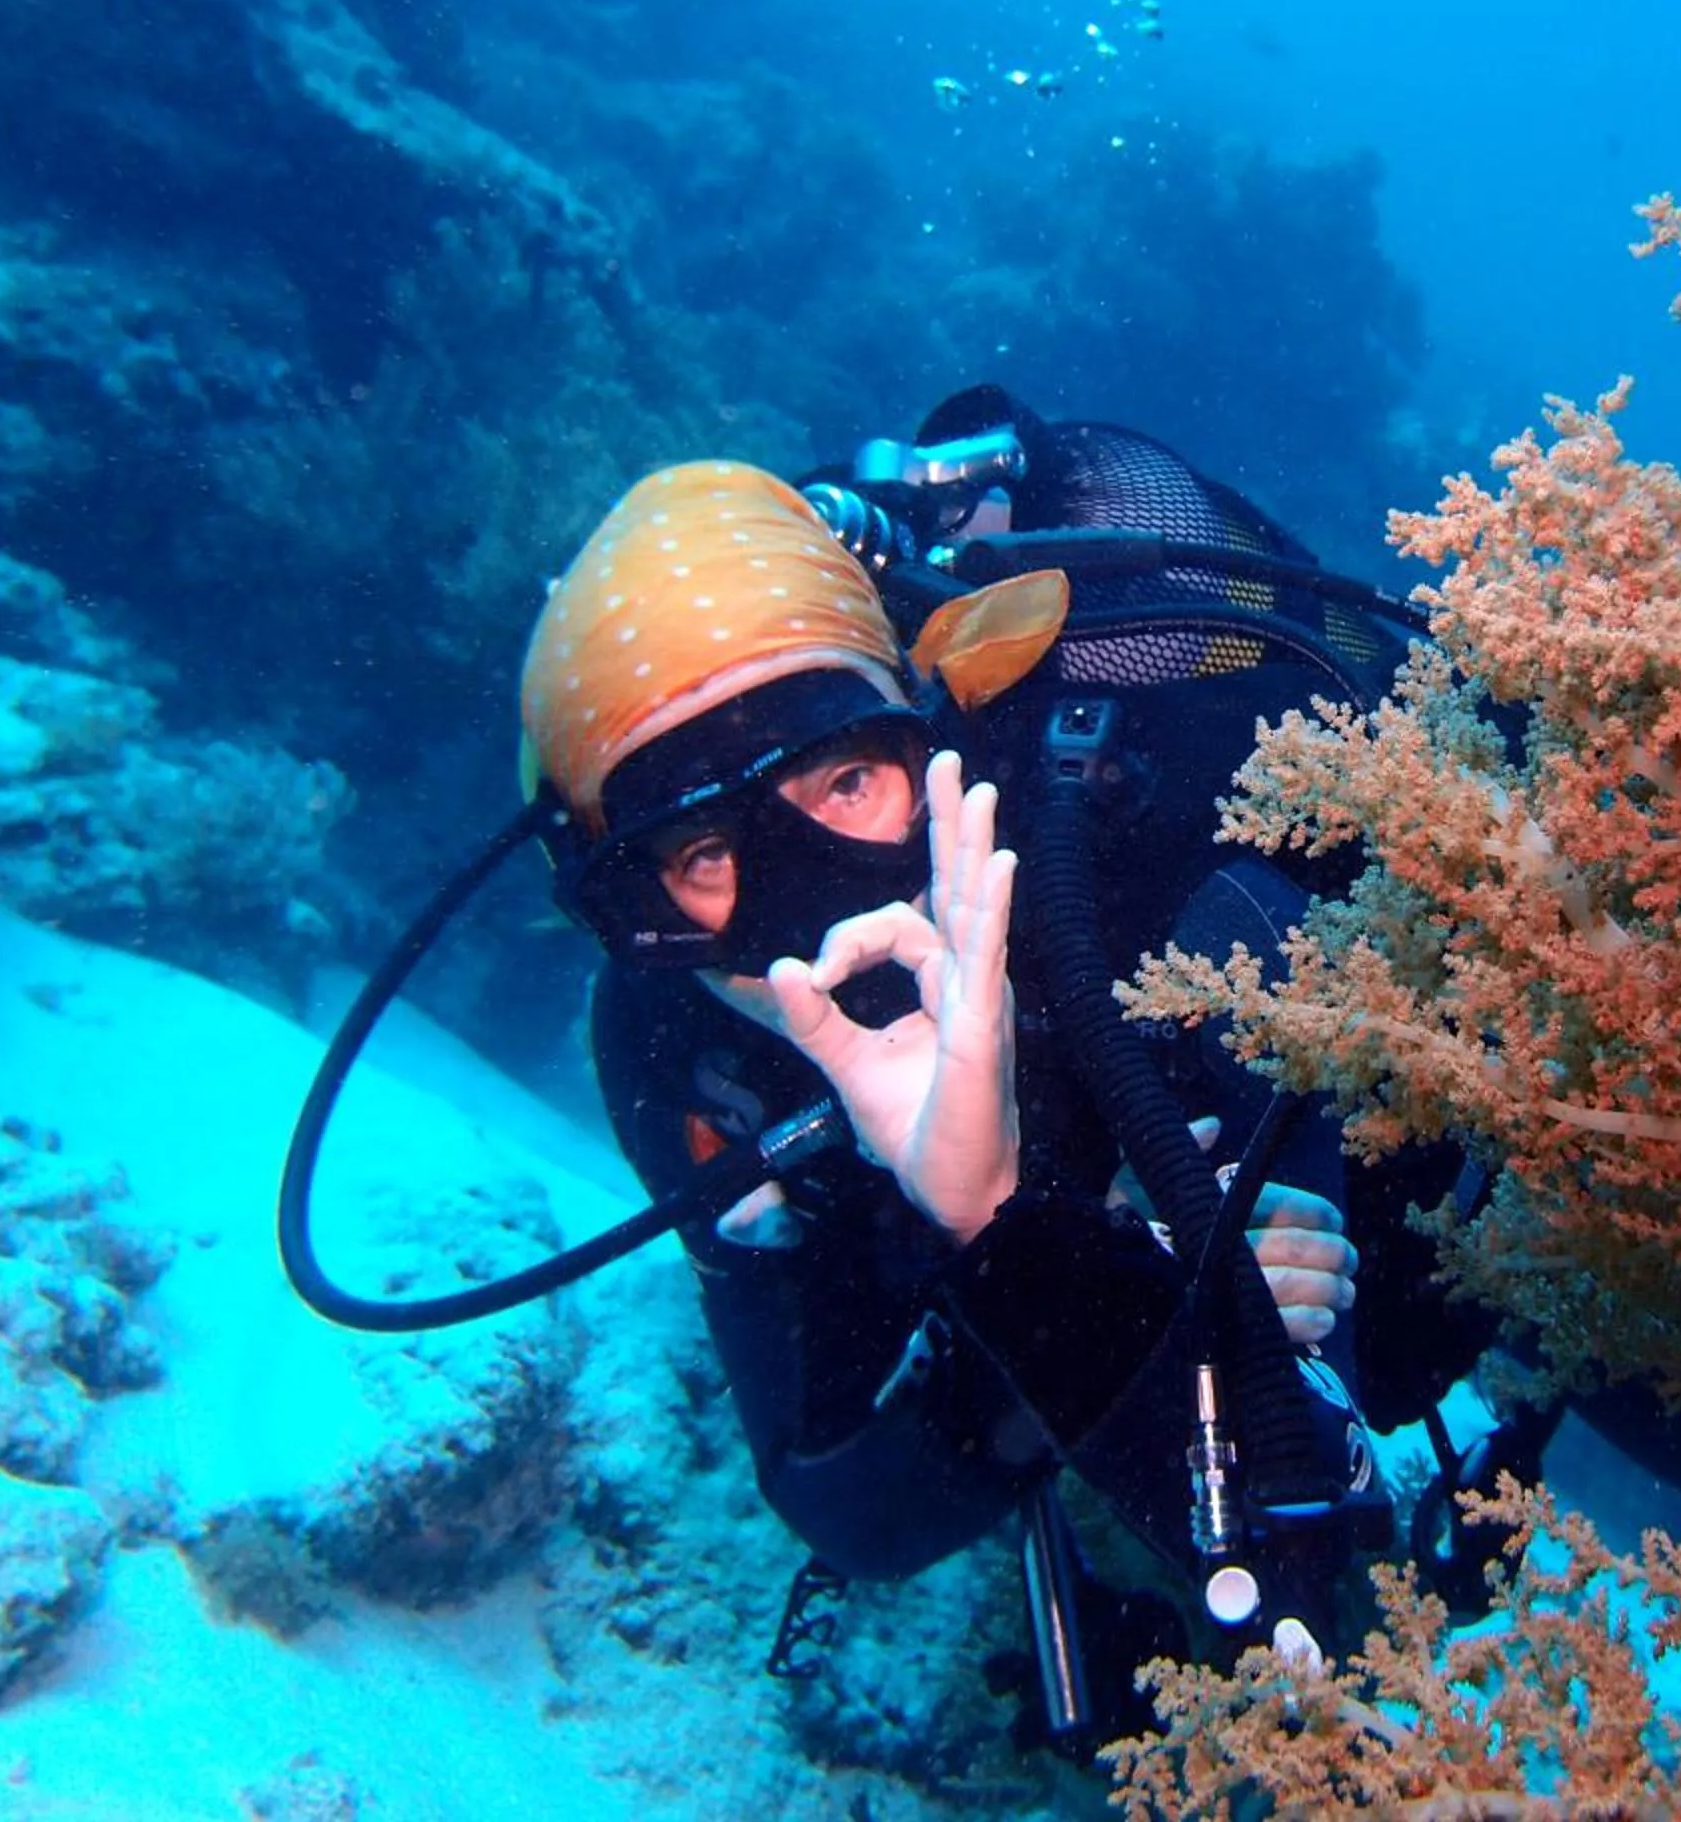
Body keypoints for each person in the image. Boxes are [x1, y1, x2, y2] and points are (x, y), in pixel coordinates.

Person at [517, 450, 1487, 1740]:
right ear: (633, 904)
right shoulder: (679, 1045)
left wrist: (1110, 1260)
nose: (815, 904)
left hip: (1482, 1258)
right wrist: (1033, 1247)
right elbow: (842, 1504)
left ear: (930, 730)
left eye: (847, 782)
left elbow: (1311, 1557)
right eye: (705, 850)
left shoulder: (1144, 867)